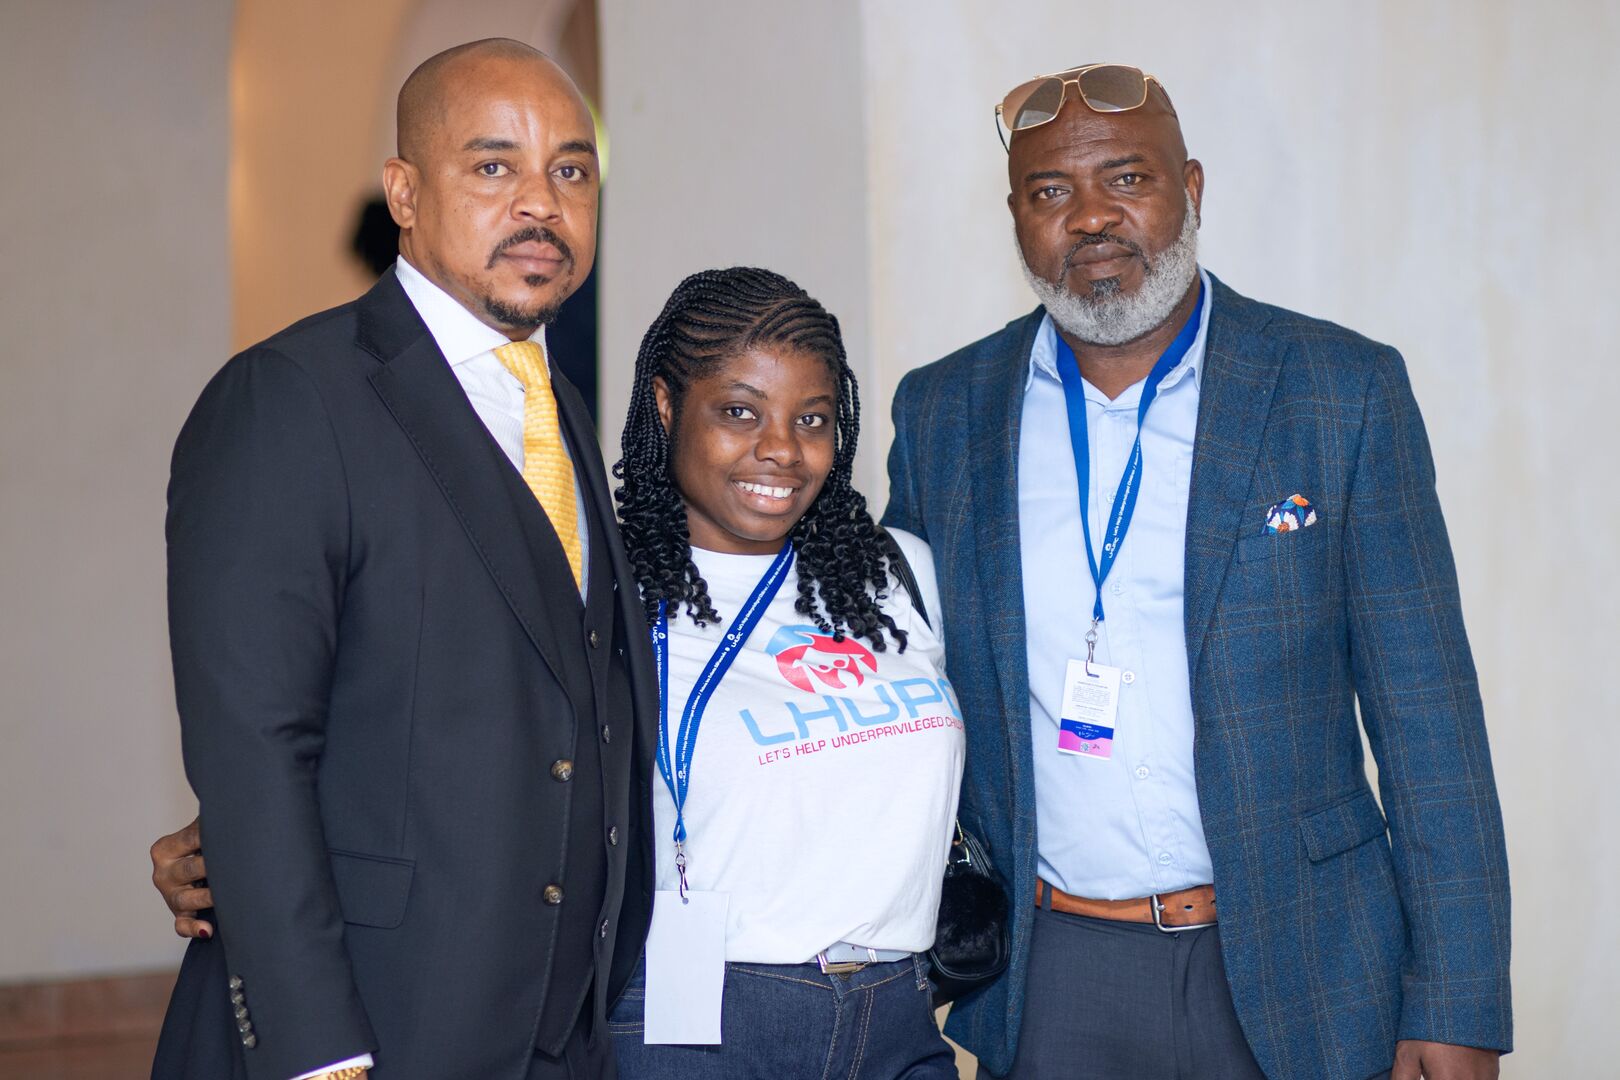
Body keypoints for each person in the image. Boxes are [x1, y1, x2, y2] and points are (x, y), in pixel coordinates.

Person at [154, 267, 965, 1079]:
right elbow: (437, 739)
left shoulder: (901, 576)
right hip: (694, 1025)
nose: (781, 450)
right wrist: (242, 842)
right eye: (739, 412)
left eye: (813, 419)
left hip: (896, 1019)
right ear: (664, 405)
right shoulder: (599, 586)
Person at [881, 64, 1511, 1080]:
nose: (1091, 217)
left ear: (1193, 189)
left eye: (1126, 178)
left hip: (1304, 966)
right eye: (1050, 192)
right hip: (1051, 983)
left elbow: (1430, 718)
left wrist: (1456, 998)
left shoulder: (1339, 391)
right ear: (1015, 217)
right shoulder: (945, 413)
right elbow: (899, 684)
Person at [152, 39, 654, 1080]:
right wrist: (317, 1053)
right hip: (368, 1031)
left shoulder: (554, 404)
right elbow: (253, 744)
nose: (541, 203)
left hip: (551, 1035)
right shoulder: (289, 399)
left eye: (570, 169)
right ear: (405, 194)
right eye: (492, 166)